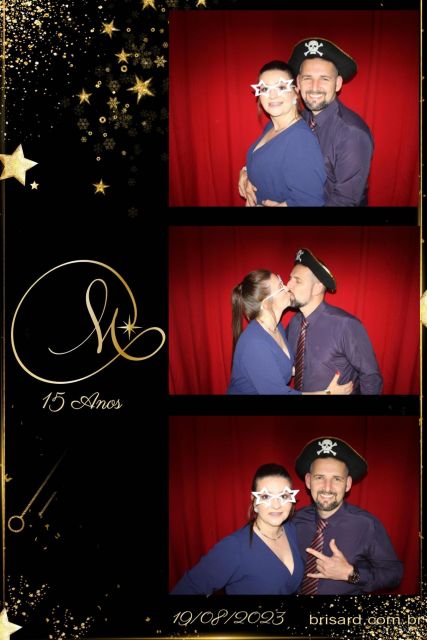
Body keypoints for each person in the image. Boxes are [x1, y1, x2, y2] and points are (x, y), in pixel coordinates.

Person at [239, 39, 374, 207]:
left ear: (338, 83)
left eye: (324, 78)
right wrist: (247, 173)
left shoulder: (352, 134)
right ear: (298, 83)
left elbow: (345, 202)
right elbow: (273, 156)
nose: (314, 87)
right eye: (307, 78)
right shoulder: (295, 118)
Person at [170, 463, 304, 595]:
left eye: (284, 496)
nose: (276, 505)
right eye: (265, 496)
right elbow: (189, 588)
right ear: (254, 502)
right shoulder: (233, 547)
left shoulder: (292, 530)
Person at [293, 437, 403, 595]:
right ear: (309, 481)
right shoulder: (294, 520)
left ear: (348, 484)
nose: (327, 487)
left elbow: (394, 574)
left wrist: (350, 574)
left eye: (337, 479)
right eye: (320, 477)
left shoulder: (367, 524)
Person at [227, 269, 353, 395]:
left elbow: (281, 367)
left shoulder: (277, 328)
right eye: (280, 287)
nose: (287, 288)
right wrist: (329, 393)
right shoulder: (255, 344)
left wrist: (322, 372)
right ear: (266, 304)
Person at [286, 248, 383, 394]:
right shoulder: (294, 323)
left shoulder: (346, 326)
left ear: (317, 288)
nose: (288, 285)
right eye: (290, 278)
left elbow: (371, 378)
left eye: (297, 281)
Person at [244, 60, 326, 207]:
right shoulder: (272, 126)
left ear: (295, 92)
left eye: (281, 87)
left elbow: (311, 201)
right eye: (265, 88)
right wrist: (246, 173)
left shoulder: (300, 140)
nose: (272, 95)